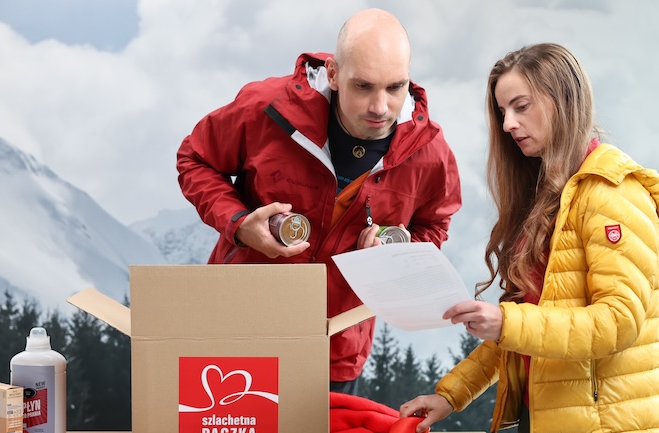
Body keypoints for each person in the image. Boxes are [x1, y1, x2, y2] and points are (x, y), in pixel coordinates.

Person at [399, 43, 659, 433]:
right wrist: (451, 396)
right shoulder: (548, 200)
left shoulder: (614, 195)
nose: (508, 124)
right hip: (544, 421)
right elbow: (523, 326)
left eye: (521, 106)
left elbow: (618, 321)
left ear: (564, 99)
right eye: (502, 110)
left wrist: (506, 320)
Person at [177, 9, 461, 396]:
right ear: (332, 74)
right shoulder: (265, 109)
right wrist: (240, 223)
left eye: (395, 88)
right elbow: (195, 159)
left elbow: (435, 225)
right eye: (363, 86)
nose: (380, 107)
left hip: (336, 349)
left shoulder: (430, 152)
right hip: (238, 327)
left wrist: (399, 256)